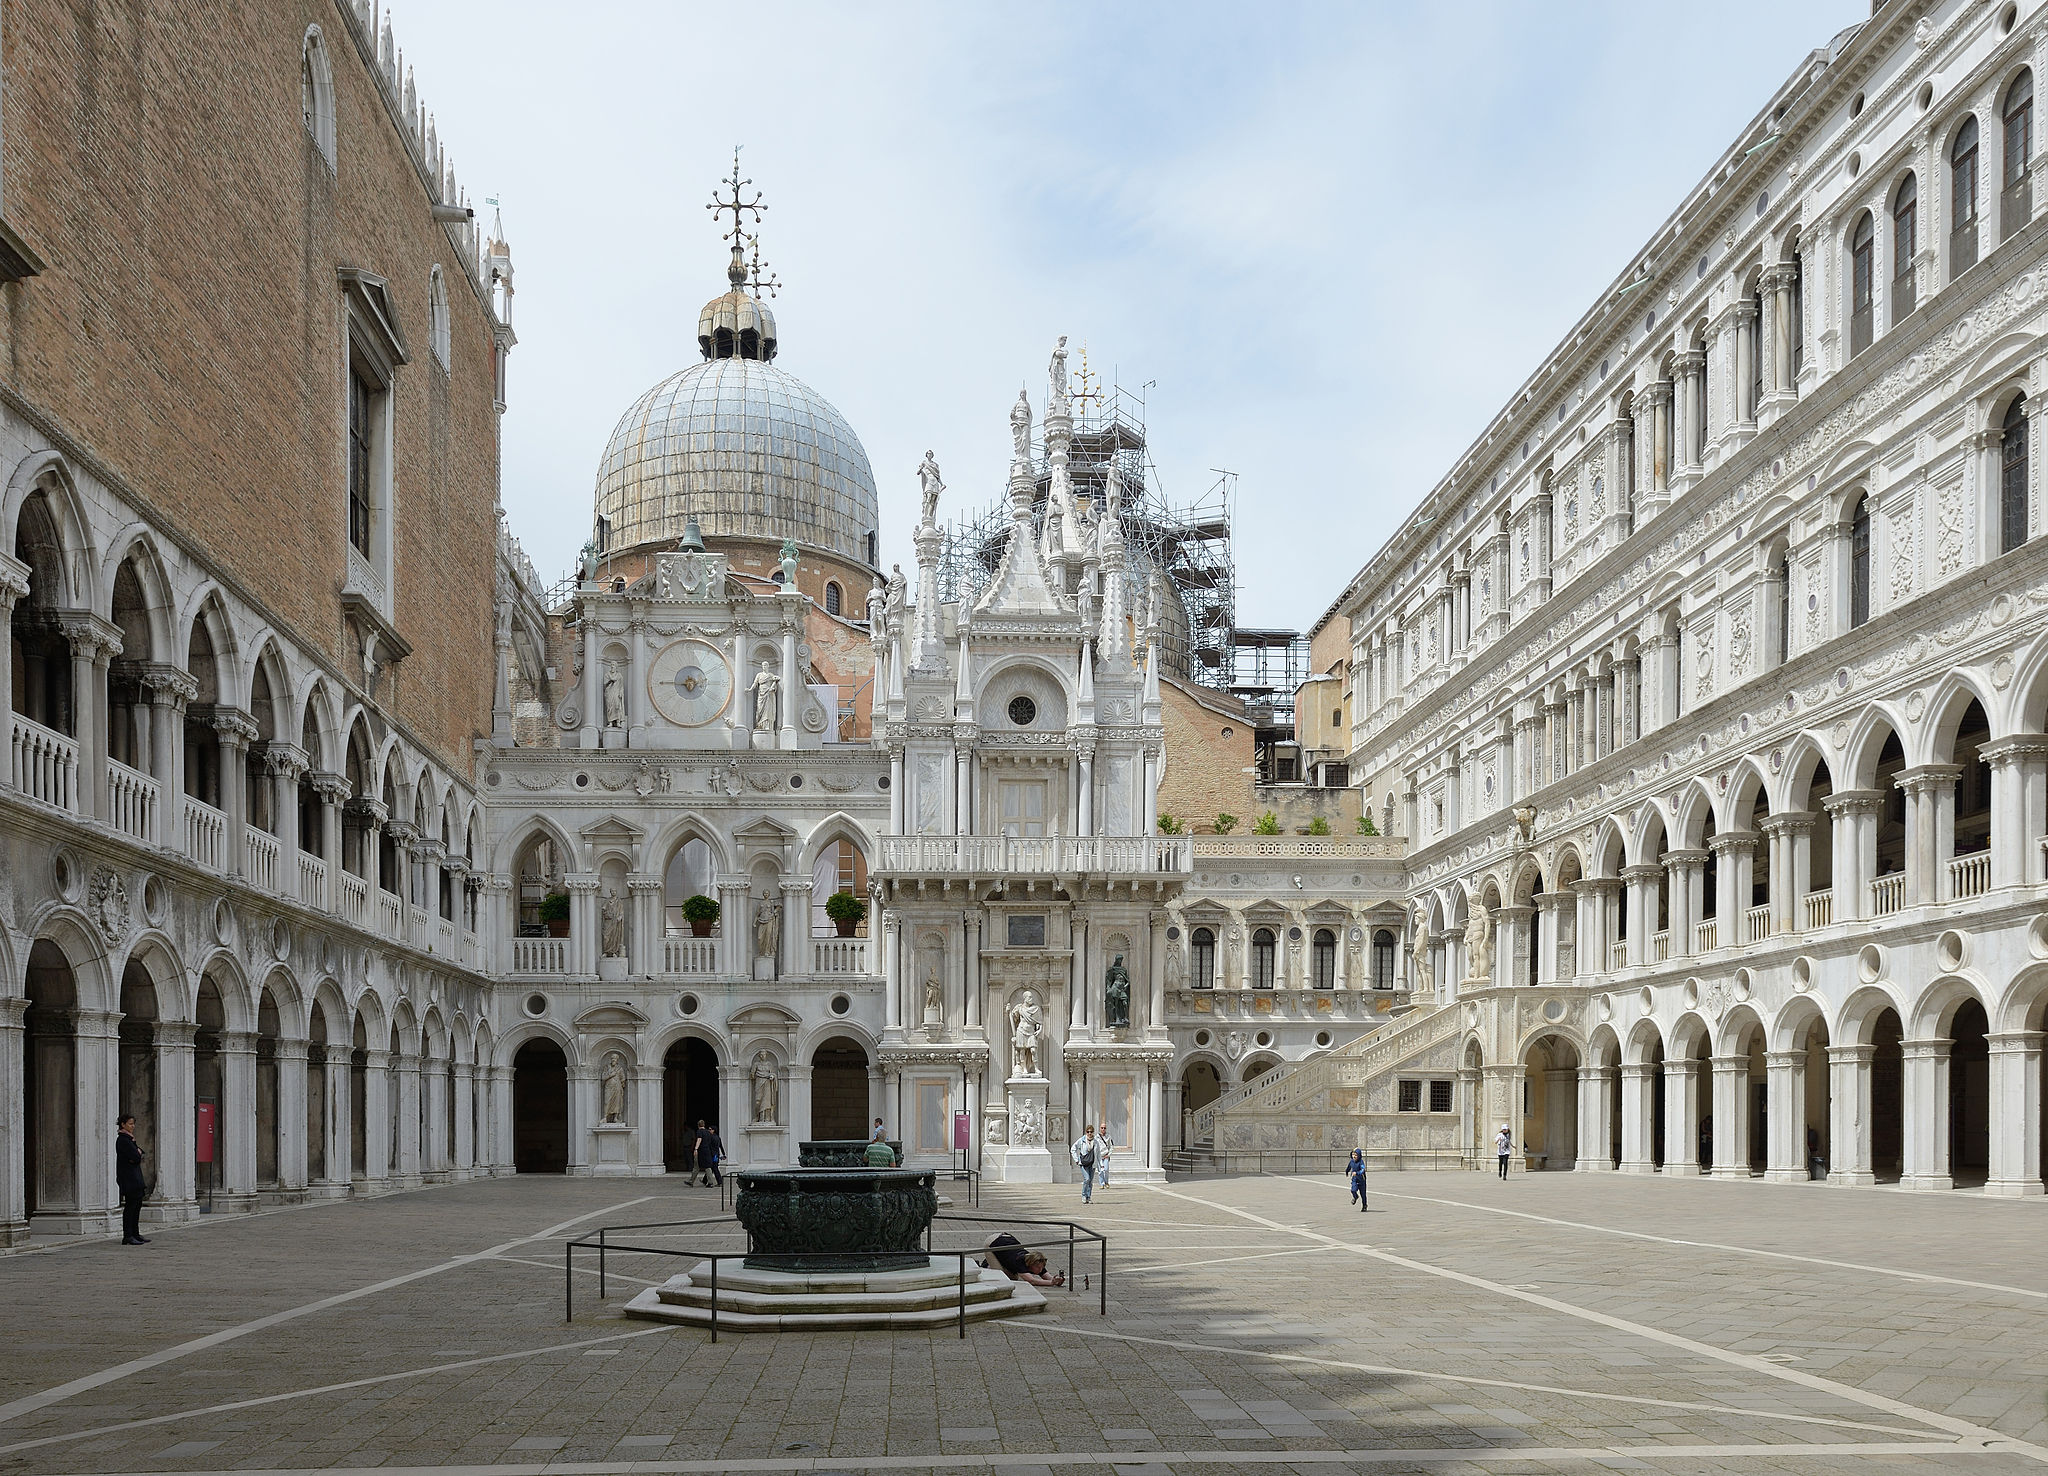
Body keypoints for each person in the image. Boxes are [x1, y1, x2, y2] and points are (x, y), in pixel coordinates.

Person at [115, 1115, 148, 1245]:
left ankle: (135, 1233)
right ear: (123, 1124)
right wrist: (137, 1155)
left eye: (133, 1124)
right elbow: (136, 1156)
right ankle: (128, 1235)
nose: (132, 1126)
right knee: (131, 1206)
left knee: (137, 1205)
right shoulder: (123, 1140)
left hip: (135, 1177)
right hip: (128, 1177)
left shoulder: (130, 1139)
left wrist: (137, 1155)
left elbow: (139, 1154)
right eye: (130, 1124)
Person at [1070, 1123, 1101, 1204]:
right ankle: (1084, 1195)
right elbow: (1073, 1149)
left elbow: (1098, 1154)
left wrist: (1101, 1164)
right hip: (1083, 1163)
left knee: (1090, 1181)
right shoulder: (1081, 1140)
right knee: (1086, 1179)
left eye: (1091, 1132)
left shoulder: (1096, 1142)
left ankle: (1088, 1196)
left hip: (1092, 1163)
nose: (1089, 1133)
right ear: (1086, 1132)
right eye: (1088, 1132)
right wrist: (1076, 1159)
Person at [693, 1120, 724, 1187]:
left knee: (713, 1168)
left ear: (713, 1130)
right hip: (716, 1155)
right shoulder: (718, 1137)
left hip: (713, 1155)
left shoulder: (711, 1137)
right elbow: (721, 1146)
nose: (709, 1130)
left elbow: (709, 1145)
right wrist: (723, 1154)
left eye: (710, 1129)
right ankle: (705, 1180)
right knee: (710, 1167)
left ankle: (719, 1181)